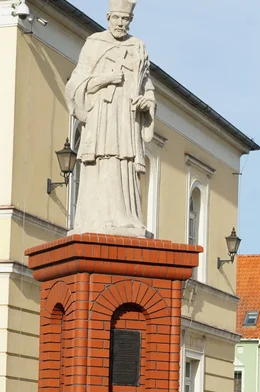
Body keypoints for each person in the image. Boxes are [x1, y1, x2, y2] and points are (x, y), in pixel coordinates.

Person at [64, 0, 155, 237]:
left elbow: (147, 85)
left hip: (127, 120)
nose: (121, 23)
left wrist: (147, 102)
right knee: (103, 159)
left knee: (122, 160)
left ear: (130, 21)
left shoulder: (137, 47)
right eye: (117, 18)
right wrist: (105, 79)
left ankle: (126, 217)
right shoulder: (94, 44)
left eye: (125, 19)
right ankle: (98, 216)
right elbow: (76, 84)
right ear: (108, 17)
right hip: (102, 117)